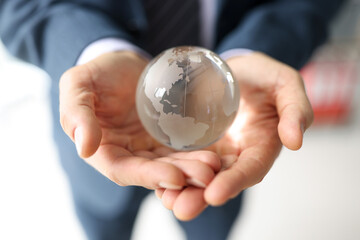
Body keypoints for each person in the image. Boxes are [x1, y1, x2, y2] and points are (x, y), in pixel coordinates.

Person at [0, 0, 343, 239]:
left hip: (222, 150)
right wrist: (96, 52)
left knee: (210, 227)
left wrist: (257, 50)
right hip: (102, 129)